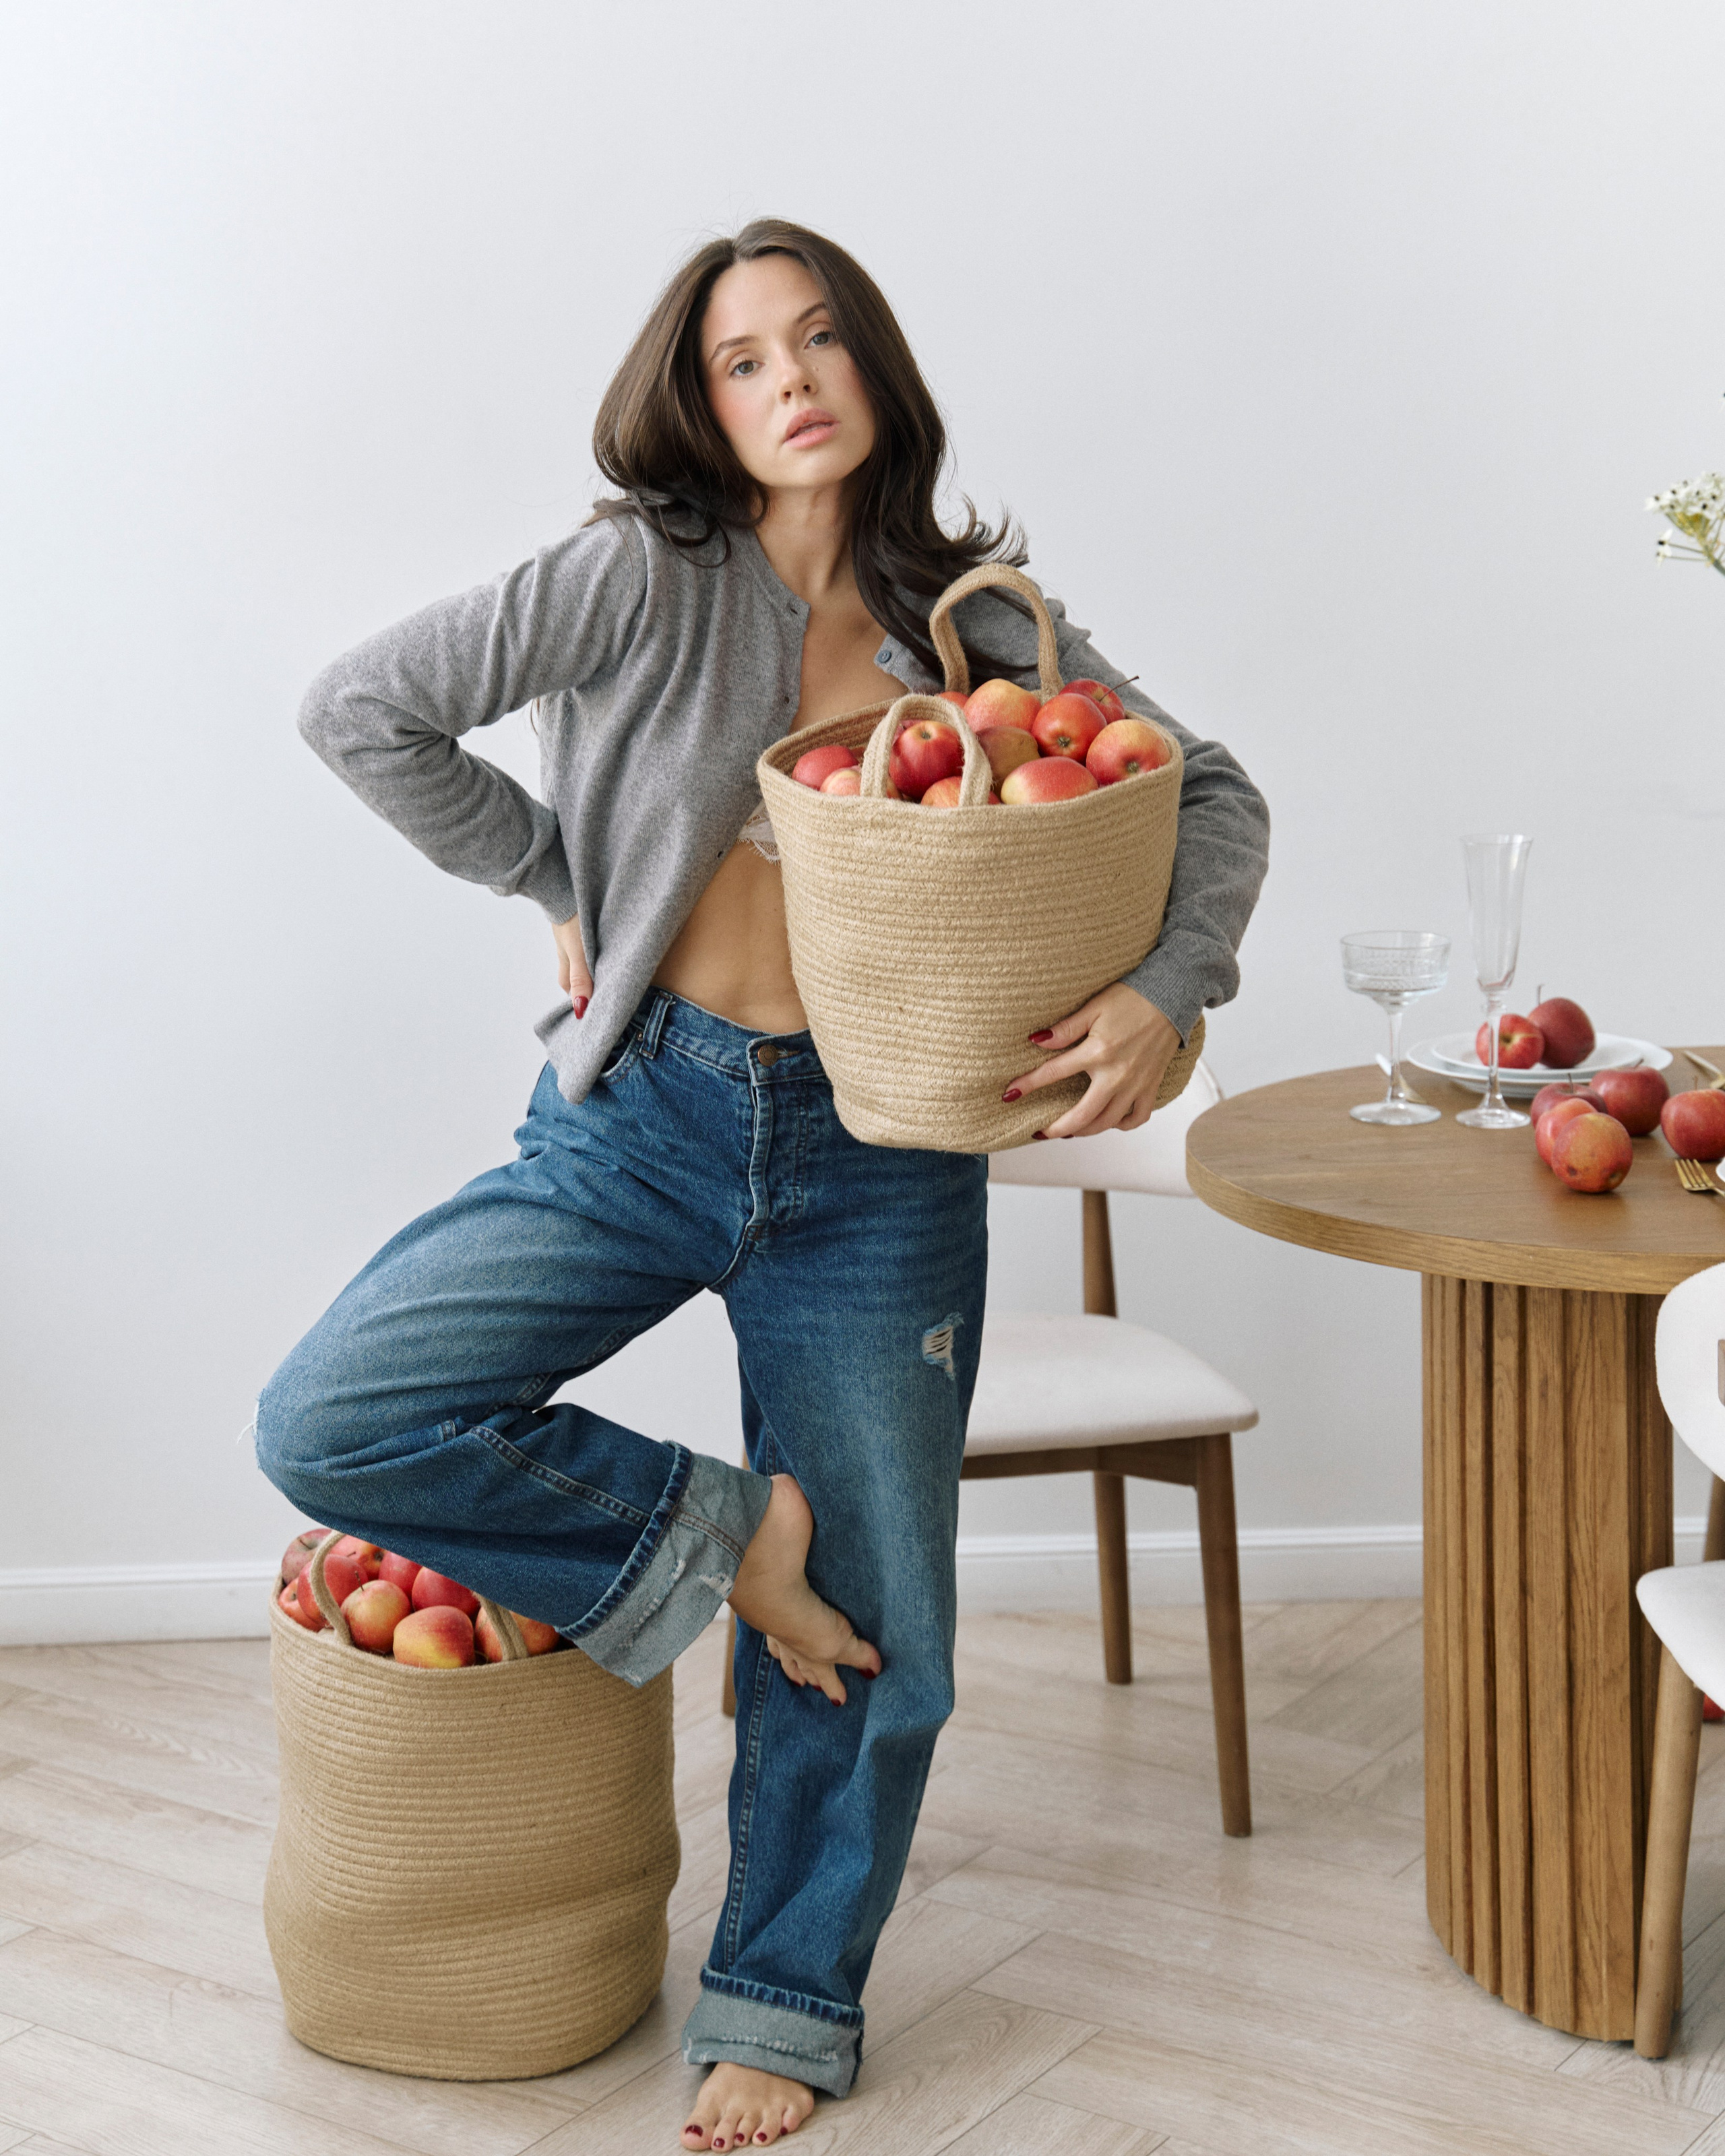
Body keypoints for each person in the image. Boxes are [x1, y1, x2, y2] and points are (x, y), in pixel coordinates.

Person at [253, 218, 1269, 2151]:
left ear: (874, 366)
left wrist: (1167, 985)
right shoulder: (636, 569)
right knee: (335, 1415)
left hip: (885, 1160)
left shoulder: (965, 618)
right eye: (743, 358)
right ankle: (731, 1540)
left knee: (883, 1614)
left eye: (819, 340)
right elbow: (359, 708)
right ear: (698, 399)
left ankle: (787, 2005)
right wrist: (559, 878)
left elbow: (1208, 791)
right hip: (639, 1115)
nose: (790, 379)